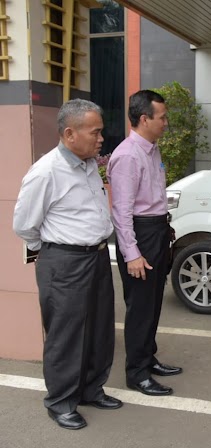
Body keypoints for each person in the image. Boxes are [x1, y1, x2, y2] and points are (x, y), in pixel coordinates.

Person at [13, 99, 121, 430]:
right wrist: (47, 253)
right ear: (70, 133)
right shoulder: (46, 172)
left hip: (98, 256)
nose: (101, 138)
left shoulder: (88, 163)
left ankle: (91, 388)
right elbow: (24, 224)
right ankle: (61, 401)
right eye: (96, 132)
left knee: (100, 328)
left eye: (101, 131)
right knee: (67, 333)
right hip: (65, 260)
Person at [108, 90, 180, 396]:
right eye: (161, 117)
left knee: (152, 303)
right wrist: (132, 254)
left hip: (156, 231)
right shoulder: (127, 155)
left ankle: (147, 358)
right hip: (139, 234)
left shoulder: (152, 149)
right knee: (139, 307)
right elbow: (121, 212)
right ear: (143, 119)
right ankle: (136, 373)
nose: (166, 122)